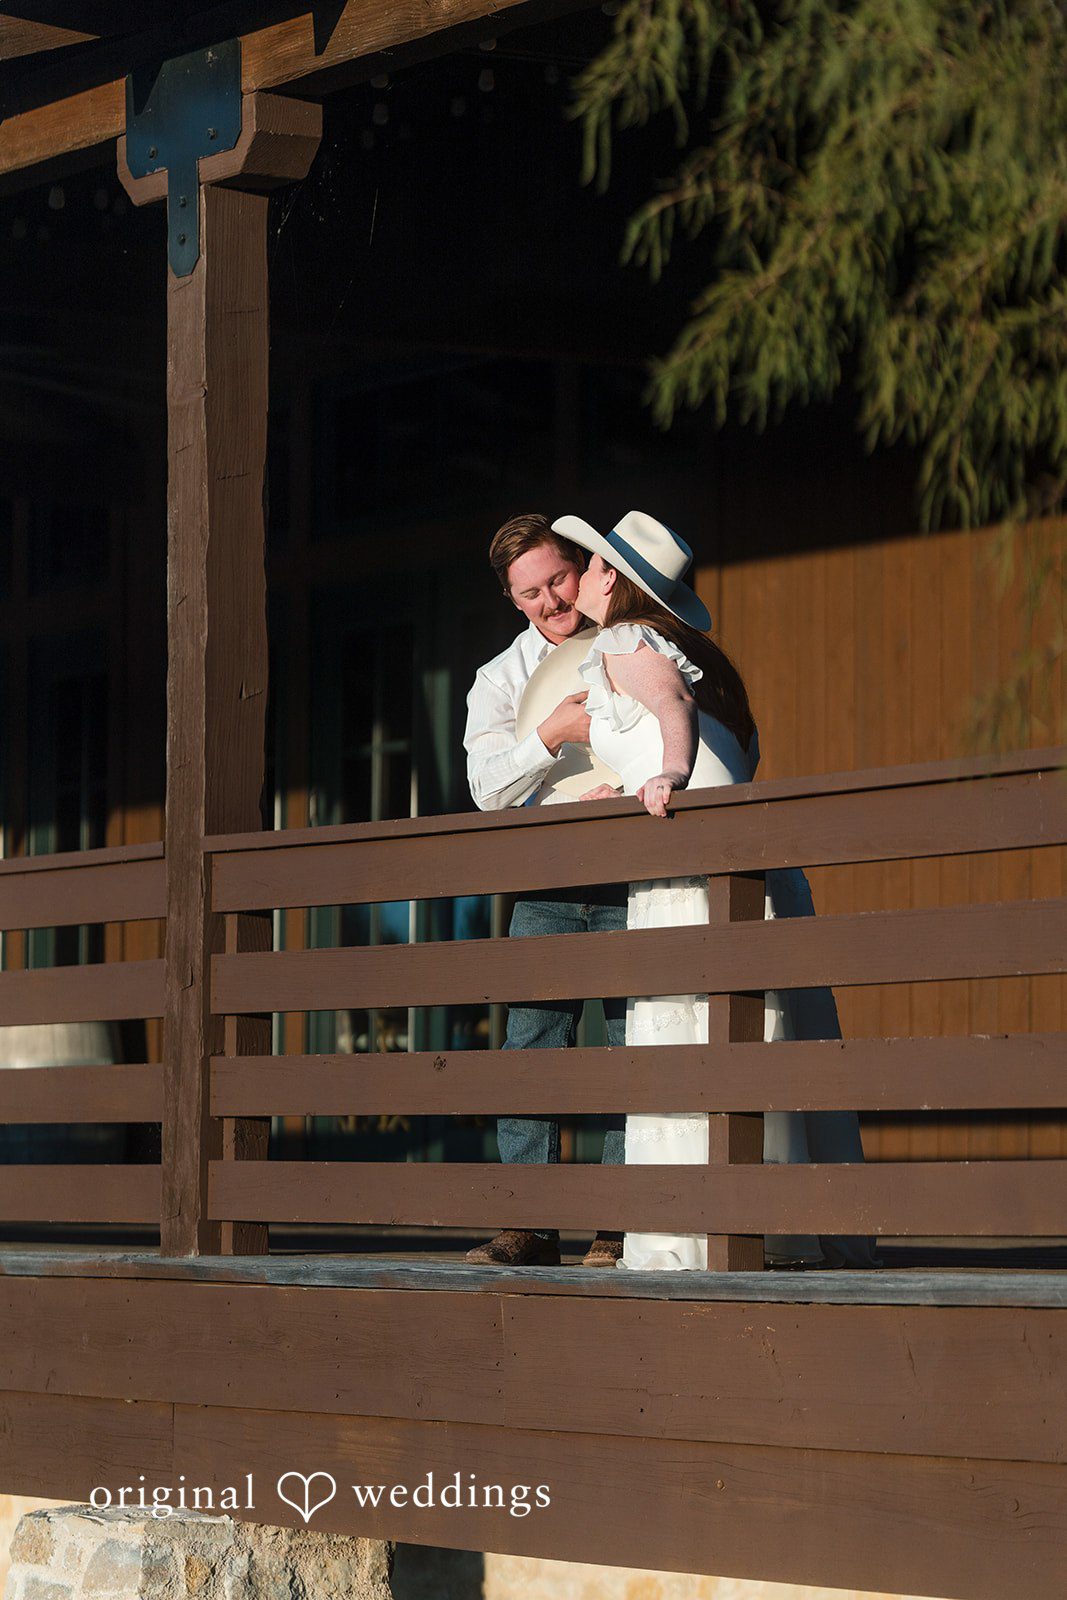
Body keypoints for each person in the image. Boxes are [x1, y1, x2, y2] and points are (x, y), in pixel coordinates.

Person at [553, 508, 877, 1270]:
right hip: (749, 863)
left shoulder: (625, 641)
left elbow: (670, 709)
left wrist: (663, 772)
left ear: (613, 579)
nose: (585, 575)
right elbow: (716, 749)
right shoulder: (700, 656)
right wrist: (622, 780)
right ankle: (768, 1224)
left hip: (690, 869)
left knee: (689, 1036)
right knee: (753, 1037)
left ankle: (688, 1237)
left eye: (594, 565)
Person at [461, 512, 627, 1268]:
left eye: (557, 579)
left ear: (579, 569)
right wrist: (552, 734)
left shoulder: (629, 637)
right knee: (533, 1049)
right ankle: (527, 1223)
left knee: (632, 1047)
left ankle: (619, 1225)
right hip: (549, 878)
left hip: (636, 868)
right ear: (512, 598)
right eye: (530, 592)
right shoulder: (498, 678)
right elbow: (486, 790)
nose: (551, 601)